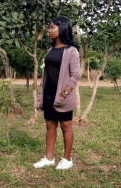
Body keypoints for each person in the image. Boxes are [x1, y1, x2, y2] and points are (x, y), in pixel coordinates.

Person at [33, 16, 81, 170]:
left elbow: (75, 75)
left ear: (62, 29)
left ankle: (67, 160)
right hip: (48, 94)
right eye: (49, 27)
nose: (49, 30)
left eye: (52, 27)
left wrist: (64, 94)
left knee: (66, 126)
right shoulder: (51, 50)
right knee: (50, 126)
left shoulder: (71, 51)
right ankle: (49, 158)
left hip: (63, 98)